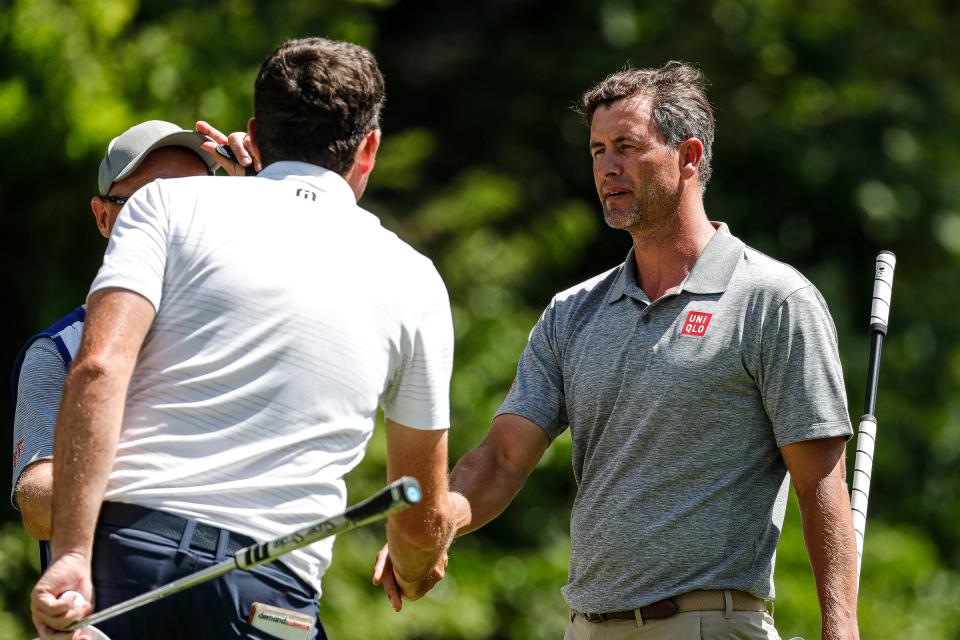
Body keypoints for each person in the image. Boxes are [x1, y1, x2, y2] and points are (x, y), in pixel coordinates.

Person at [374, 62, 860, 639]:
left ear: (689, 157)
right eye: (598, 151)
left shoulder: (774, 301)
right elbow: (503, 458)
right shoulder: (572, 312)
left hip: (707, 625)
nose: (608, 168)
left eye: (627, 147)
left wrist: (841, 628)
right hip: (586, 627)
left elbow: (820, 482)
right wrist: (432, 524)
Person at [31, 37, 457, 640]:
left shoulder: (163, 205)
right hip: (268, 594)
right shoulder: (416, 279)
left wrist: (72, 554)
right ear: (369, 147)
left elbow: (99, 367)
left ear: (254, 135)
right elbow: (416, 519)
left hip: (126, 559)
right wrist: (415, 567)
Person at [11, 120, 217, 550]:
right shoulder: (61, 351)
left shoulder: (245, 333)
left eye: (196, 202)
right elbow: (38, 506)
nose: (174, 220)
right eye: (148, 203)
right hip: (109, 605)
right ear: (104, 217)